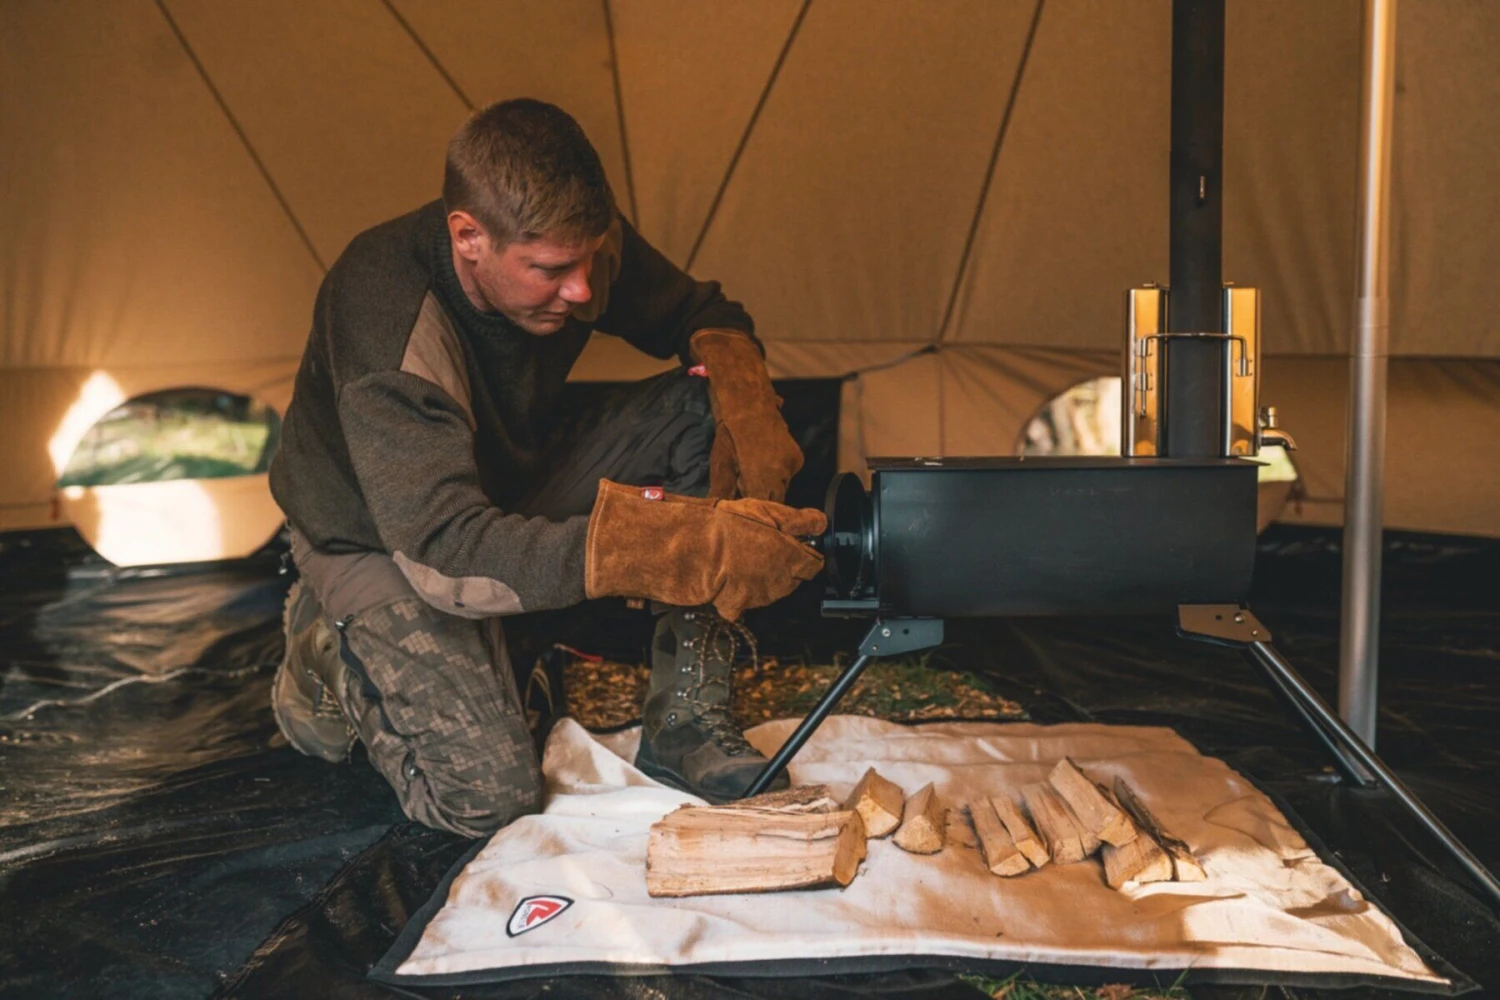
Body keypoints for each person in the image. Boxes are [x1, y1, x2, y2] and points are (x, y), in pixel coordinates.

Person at [267, 99, 824, 837]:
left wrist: (748, 404)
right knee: (488, 798)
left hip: (504, 482)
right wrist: (683, 545)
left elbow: (701, 311)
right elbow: (446, 551)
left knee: (704, 405)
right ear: (469, 237)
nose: (584, 290)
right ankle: (327, 646)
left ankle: (684, 725)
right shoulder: (385, 322)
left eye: (590, 258)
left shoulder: (576, 248)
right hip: (383, 539)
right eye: (552, 271)